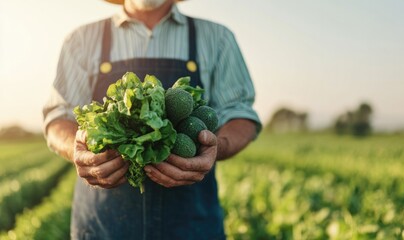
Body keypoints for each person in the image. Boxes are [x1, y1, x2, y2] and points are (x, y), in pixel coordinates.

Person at [43, 0, 261, 239]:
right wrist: (78, 150)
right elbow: (58, 117)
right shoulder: (81, 40)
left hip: (192, 225)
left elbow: (240, 114)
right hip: (104, 227)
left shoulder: (217, 37)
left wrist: (217, 147)